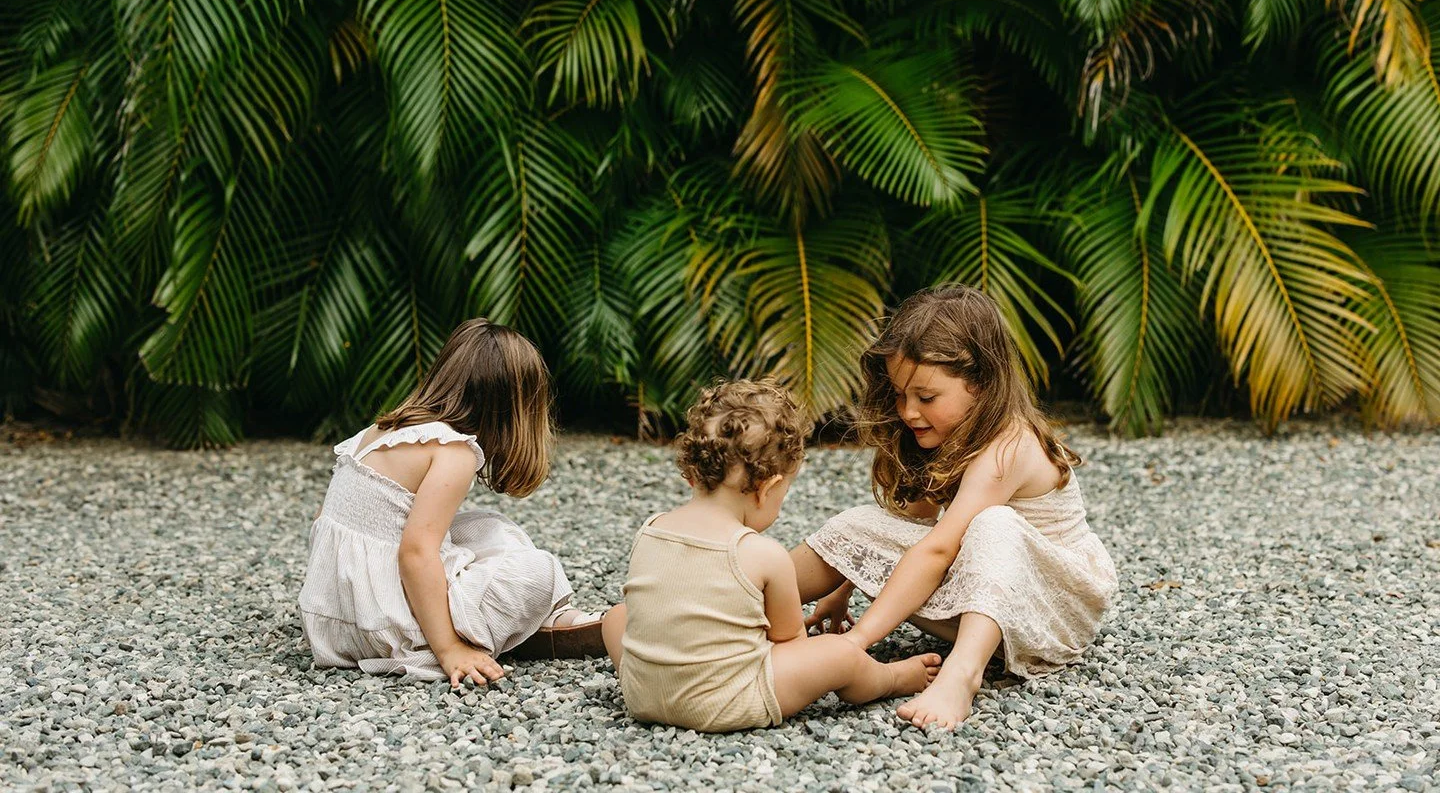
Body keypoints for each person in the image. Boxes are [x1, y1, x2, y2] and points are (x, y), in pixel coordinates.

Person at [795, 284, 1118, 728]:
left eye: (926, 398)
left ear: (982, 383)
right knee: (859, 523)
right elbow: (912, 525)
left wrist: (858, 641)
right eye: (899, 394)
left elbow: (938, 549)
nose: (908, 412)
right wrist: (844, 583)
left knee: (993, 524)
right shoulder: (948, 430)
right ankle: (736, 602)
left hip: (1053, 610)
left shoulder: (1009, 444)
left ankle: (961, 675)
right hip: (983, 596)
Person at [601, 379, 942, 732]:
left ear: (692, 474)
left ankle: (653, 682)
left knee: (617, 616)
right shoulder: (761, 554)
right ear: (766, 489)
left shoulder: (651, 527)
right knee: (834, 651)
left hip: (642, 696)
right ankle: (889, 678)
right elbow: (790, 644)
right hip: (723, 703)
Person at [299, 318, 604, 688]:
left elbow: (323, 521)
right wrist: (447, 650)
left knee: (488, 527)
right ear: (514, 406)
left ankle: (532, 620)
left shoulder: (383, 430)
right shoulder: (453, 452)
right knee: (536, 572)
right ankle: (503, 629)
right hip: (382, 625)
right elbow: (414, 552)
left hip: (335, 618)